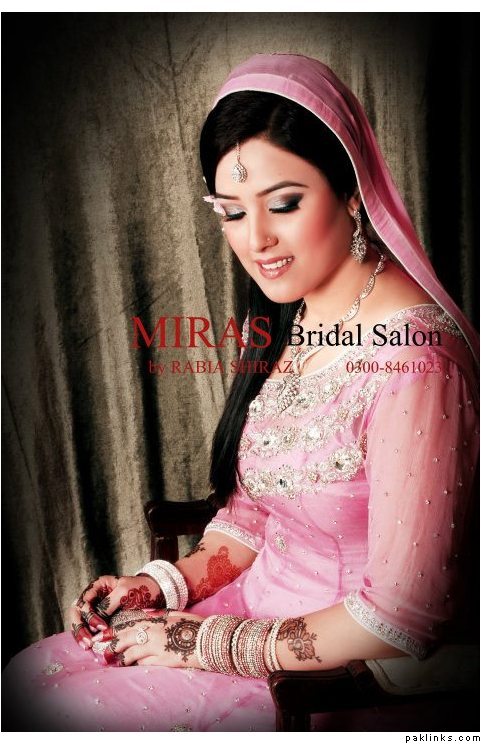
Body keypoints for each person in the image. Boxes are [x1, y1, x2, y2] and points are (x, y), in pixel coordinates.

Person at [3, 53, 479, 733]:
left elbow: (402, 618)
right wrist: (160, 586)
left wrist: (199, 643)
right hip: (247, 615)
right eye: (230, 212)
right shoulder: (301, 313)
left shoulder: (417, 362)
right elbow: (255, 514)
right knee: (28, 680)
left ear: (352, 191)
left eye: (284, 204)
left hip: (331, 677)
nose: (256, 241)